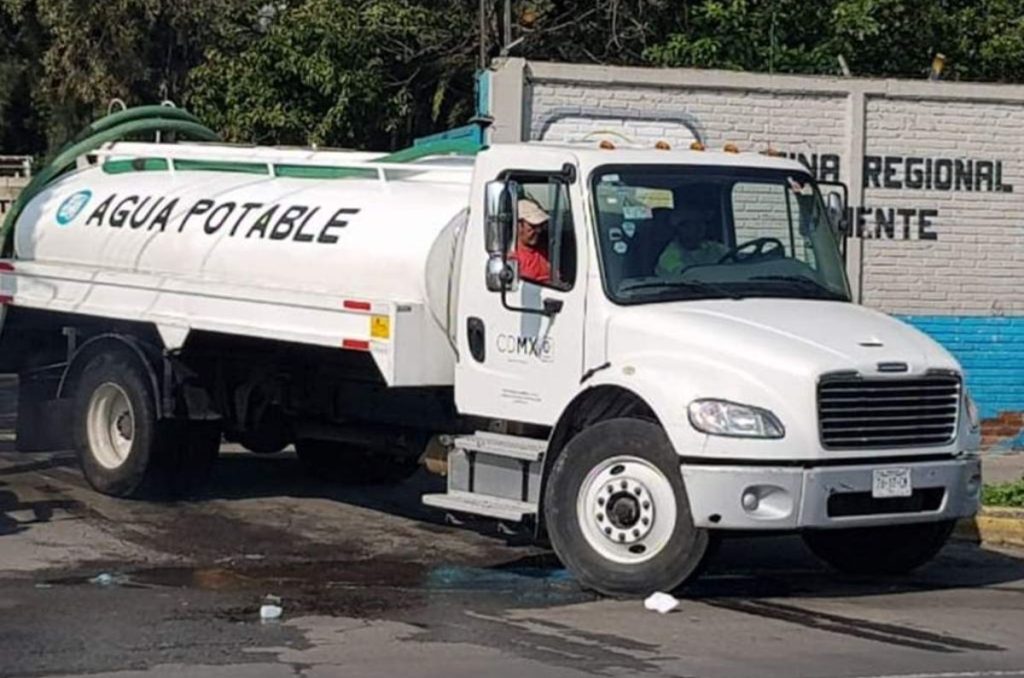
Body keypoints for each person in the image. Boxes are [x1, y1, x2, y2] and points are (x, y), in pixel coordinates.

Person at [655, 208, 727, 276]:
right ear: (681, 228)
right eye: (693, 223)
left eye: (703, 222)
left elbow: (736, 263)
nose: (700, 227)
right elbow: (687, 277)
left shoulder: (716, 248)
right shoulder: (669, 257)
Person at [513, 198, 551, 284]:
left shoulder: (546, 248)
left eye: (540, 226)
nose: (538, 230)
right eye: (533, 226)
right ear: (518, 225)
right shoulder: (513, 259)